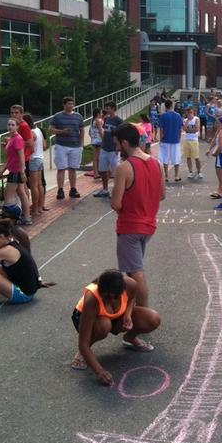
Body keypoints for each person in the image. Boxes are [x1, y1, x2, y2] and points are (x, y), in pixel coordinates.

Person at [70, 269, 161, 385]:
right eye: (106, 297)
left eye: (115, 297)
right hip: (86, 319)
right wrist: (99, 372)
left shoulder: (131, 284)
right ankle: (83, 354)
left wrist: (127, 315)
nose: (111, 300)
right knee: (104, 325)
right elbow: (82, 343)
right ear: (100, 290)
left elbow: (131, 298)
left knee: (153, 318)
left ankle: (129, 339)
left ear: (123, 290)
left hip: (116, 316)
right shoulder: (92, 300)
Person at [111, 123, 164, 313]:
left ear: (125, 143)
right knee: (134, 270)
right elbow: (162, 194)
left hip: (130, 226)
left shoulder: (124, 167)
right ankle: (133, 308)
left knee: (136, 273)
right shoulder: (156, 163)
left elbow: (116, 203)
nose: (116, 148)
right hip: (149, 225)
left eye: (117, 144)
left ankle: (143, 314)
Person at [50, 97, 84, 200]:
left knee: (73, 168)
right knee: (61, 168)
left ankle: (73, 189)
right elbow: (50, 129)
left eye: (72, 104)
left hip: (75, 146)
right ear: (64, 105)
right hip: (61, 145)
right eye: (69, 104)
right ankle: (60, 190)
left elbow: (82, 130)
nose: (71, 106)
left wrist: (81, 144)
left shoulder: (78, 116)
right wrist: (61, 132)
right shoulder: (57, 116)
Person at [9, 105, 33, 224]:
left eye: (16, 112)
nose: (14, 115)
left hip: (22, 162)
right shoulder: (16, 128)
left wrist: (16, 143)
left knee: (21, 190)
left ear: (21, 114)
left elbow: (29, 142)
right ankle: (25, 213)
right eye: (12, 113)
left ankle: (25, 213)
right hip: (18, 162)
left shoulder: (23, 126)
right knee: (22, 189)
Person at [94, 101, 123, 198]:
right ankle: (105, 189)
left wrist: (118, 146)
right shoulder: (106, 119)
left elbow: (121, 135)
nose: (107, 110)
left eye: (108, 108)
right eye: (106, 108)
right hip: (104, 147)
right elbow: (104, 132)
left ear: (113, 108)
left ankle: (117, 190)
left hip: (113, 149)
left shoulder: (119, 120)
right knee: (102, 169)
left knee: (115, 171)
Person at [23, 113, 46, 217]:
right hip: (40, 158)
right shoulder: (39, 130)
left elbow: (30, 146)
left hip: (33, 159)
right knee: (40, 184)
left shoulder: (31, 132)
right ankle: (40, 206)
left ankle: (35, 208)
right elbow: (44, 145)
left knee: (33, 185)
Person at [157, 99, 183, 182]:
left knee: (165, 158)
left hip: (165, 139)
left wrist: (161, 139)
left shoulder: (163, 116)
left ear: (166, 106)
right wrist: (179, 138)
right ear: (172, 105)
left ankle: (166, 176)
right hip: (175, 139)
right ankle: (176, 175)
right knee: (176, 157)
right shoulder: (178, 115)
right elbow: (180, 129)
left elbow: (161, 129)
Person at [182, 107, 203, 180]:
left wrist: (189, 130)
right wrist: (188, 121)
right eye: (188, 113)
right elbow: (184, 129)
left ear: (193, 112)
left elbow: (196, 129)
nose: (190, 114)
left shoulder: (196, 119)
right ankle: (190, 171)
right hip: (187, 140)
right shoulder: (185, 120)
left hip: (194, 140)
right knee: (188, 157)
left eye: (191, 112)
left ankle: (199, 171)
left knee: (196, 157)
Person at [87, 108, 103, 179]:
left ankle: (96, 173)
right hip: (99, 140)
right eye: (101, 112)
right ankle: (97, 173)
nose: (102, 114)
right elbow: (100, 130)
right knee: (98, 158)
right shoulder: (98, 120)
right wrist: (103, 139)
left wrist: (93, 138)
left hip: (94, 141)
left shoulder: (92, 120)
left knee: (95, 158)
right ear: (98, 114)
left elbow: (90, 132)